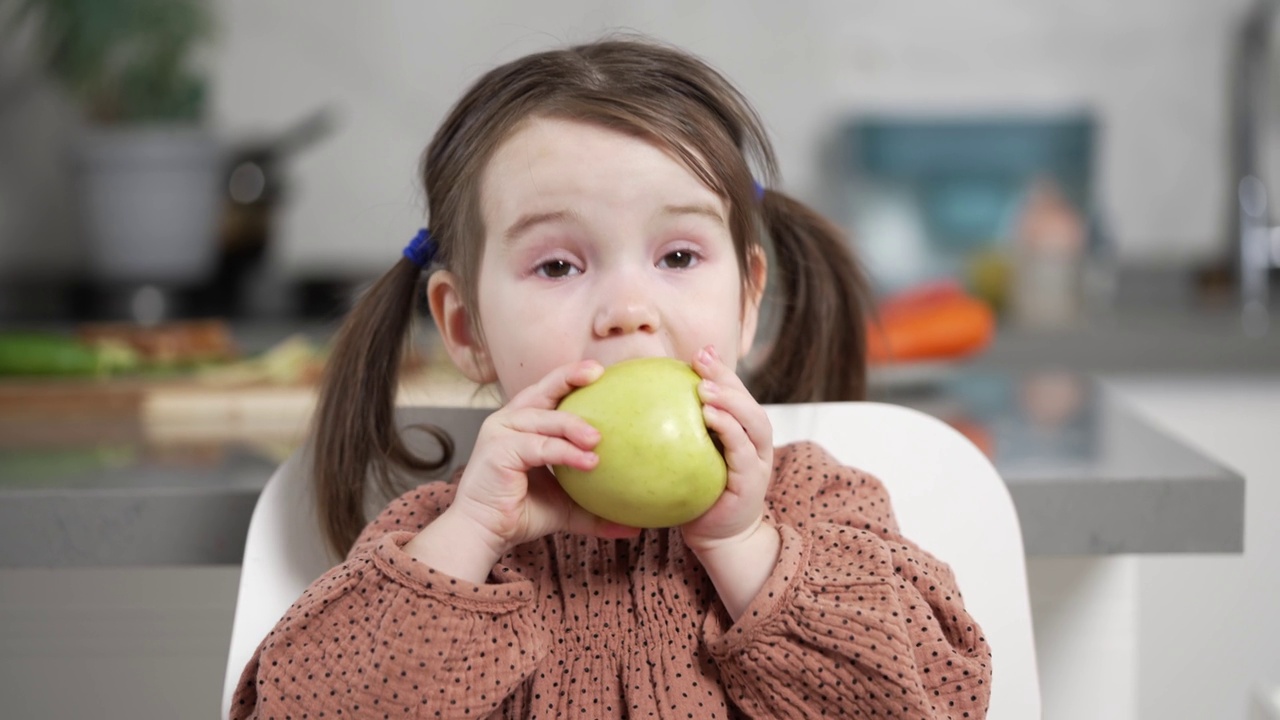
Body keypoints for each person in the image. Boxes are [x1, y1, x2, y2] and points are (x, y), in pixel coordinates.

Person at [230, 36, 991, 719]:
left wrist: (747, 545)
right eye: (558, 264)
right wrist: (465, 540)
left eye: (679, 257)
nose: (628, 310)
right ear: (466, 330)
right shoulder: (440, 542)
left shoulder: (819, 511)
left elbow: (934, 699)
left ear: (747, 300)